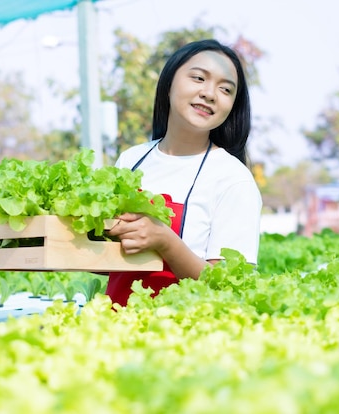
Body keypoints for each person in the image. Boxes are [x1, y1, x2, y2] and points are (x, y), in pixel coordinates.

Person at [106, 39, 262, 306]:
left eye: (225, 89)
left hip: (181, 336)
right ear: (168, 84)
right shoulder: (130, 159)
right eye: (199, 78)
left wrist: (166, 241)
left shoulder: (233, 179)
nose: (210, 93)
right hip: (113, 325)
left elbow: (229, 288)